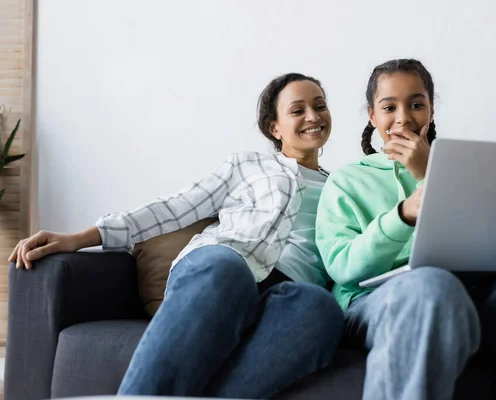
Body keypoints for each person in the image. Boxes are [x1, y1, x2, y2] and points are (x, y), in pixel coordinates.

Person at [10, 73, 344, 399]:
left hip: (287, 296)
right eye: (298, 110)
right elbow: (174, 208)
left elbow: (350, 255)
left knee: (321, 308)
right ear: (274, 127)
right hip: (220, 273)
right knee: (227, 267)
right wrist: (80, 238)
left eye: (320, 106)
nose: (313, 116)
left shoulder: (344, 187)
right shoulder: (247, 166)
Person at [315, 58, 496, 400]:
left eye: (417, 105)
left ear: (431, 110)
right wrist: (402, 215)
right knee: (430, 286)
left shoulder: (466, 166)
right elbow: (342, 267)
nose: (404, 117)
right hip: (385, 301)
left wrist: (428, 174)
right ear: (372, 116)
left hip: (478, 295)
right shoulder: (348, 179)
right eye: (389, 107)